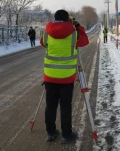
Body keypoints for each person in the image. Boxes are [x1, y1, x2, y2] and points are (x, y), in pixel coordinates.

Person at [40, 9, 89, 143]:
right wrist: (79, 27)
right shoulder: (74, 34)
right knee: (65, 107)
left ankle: (50, 133)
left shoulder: (47, 33)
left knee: (50, 106)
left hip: (50, 77)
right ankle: (66, 135)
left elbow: (42, 43)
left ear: (55, 19)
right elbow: (85, 41)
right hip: (67, 78)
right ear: (68, 20)